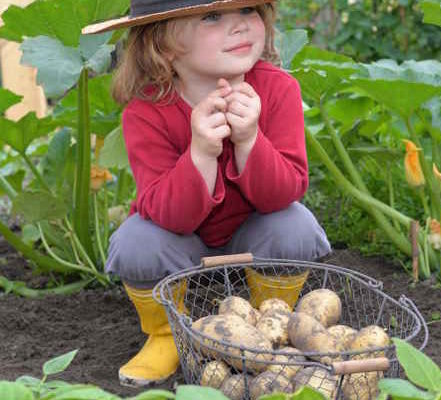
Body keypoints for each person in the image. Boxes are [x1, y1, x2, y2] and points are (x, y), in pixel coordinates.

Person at [82, 0, 331, 388]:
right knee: (136, 242)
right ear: (163, 45)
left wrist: (249, 140)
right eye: (213, 17)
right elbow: (169, 216)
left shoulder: (279, 89)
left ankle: (269, 323)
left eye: (248, 10)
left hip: (255, 236)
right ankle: (167, 335)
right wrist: (199, 153)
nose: (240, 26)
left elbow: (284, 192)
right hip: (179, 244)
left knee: (294, 225)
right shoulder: (146, 111)